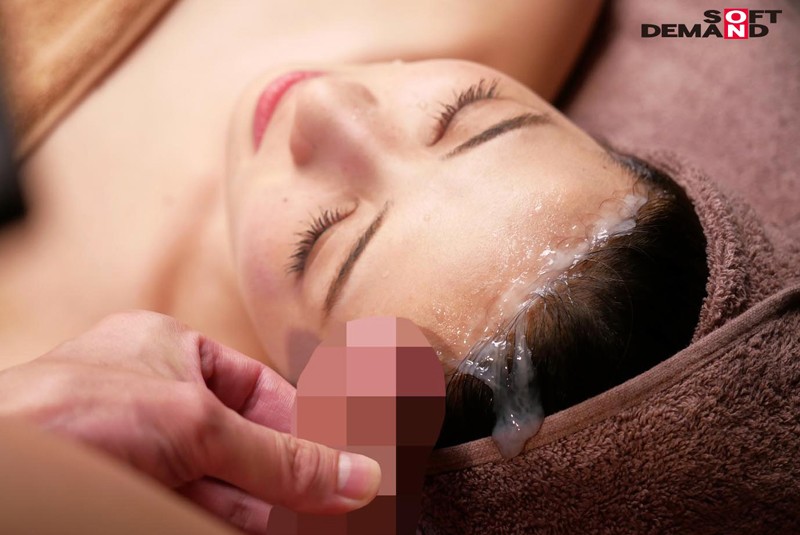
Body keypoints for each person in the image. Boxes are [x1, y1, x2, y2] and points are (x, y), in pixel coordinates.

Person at [0, 0, 721, 532]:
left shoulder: (38, 397)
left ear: (324, 407)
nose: (325, 101)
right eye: (466, 110)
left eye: (323, 240)